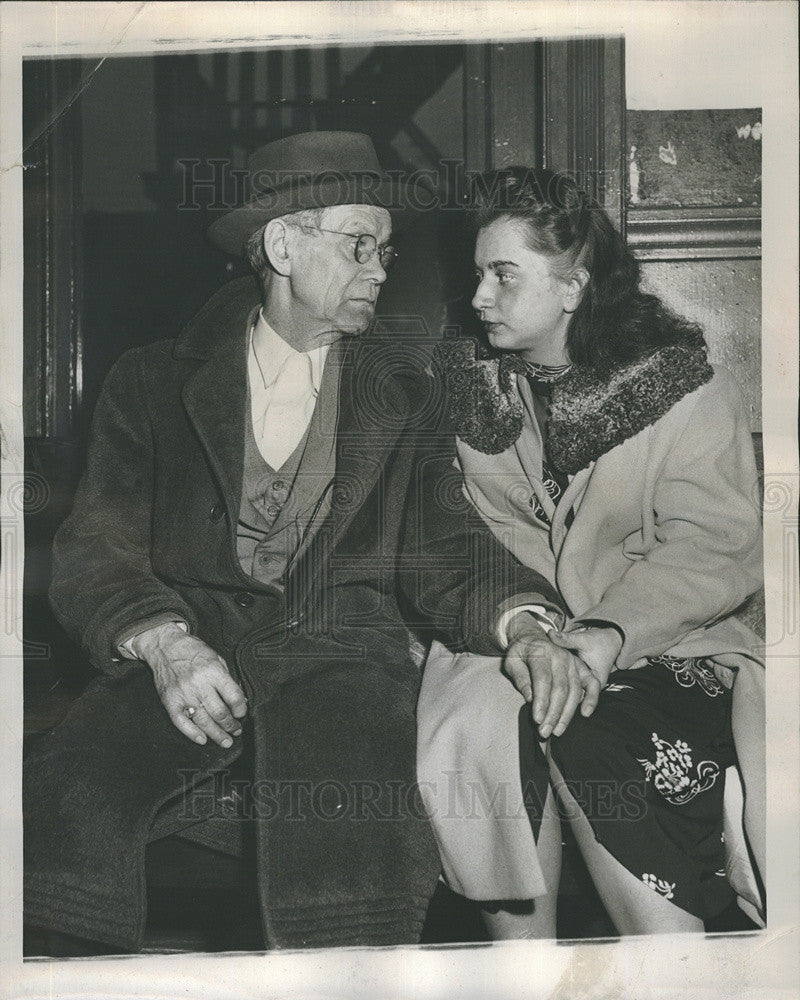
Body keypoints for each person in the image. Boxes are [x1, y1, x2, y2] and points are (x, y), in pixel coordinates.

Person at [23, 134, 570, 953]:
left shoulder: (404, 389)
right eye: (359, 245)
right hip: (185, 660)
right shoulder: (149, 380)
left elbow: (443, 543)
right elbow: (95, 547)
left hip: (342, 667)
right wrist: (166, 644)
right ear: (282, 244)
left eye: (385, 249)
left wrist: (524, 619)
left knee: (348, 875)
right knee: (66, 814)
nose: (381, 269)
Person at [418, 166, 766, 938]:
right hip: (510, 641)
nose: (478, 297)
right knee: (493, 727)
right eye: (478, 274)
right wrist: (534, 633)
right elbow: (457, 538)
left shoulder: (680, 386)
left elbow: (717, 549)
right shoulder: (465, 385)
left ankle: (670, 959)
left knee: (584, 722)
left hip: (662, 643)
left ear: (573, 287)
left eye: (503, 275)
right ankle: (527, 973)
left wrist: (605, 636)